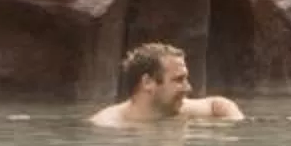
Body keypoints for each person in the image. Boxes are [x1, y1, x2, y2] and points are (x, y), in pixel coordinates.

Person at [88, 42, 243, 127]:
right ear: (148, 82)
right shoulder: (109, 125)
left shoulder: (180, 109)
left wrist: (236, 123)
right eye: (179, 80)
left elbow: (218, 104)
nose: (188, 88)